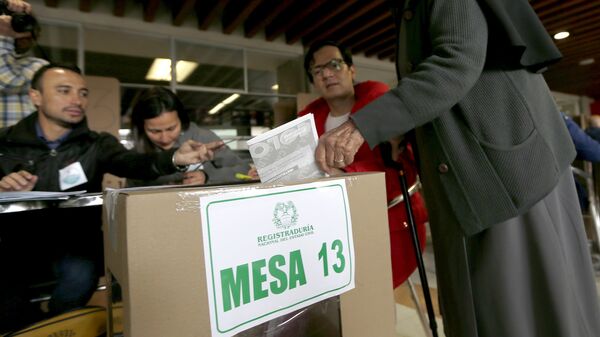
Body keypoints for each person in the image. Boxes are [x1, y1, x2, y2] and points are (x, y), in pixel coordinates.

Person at [314, 1, 600, 336]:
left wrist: (361, 126)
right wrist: (404, 130)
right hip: (481, 174)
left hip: (508, 174)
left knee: (521, 308)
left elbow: (457, 60)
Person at [0, 63, 222, 333]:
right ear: (36, 96)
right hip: (15, 245)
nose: (76, 100)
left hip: (75, 246)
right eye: (64, 91)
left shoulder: (97, 144)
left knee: (77, 282)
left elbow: (134, 162)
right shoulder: (6, 143)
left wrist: (175, 158)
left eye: (82, 93)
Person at [299, 40, 428, 289]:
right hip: (329, 229)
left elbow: (404, 167)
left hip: (388, 224)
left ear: (352, 70)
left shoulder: (383, 105)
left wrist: (346, 173)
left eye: (334, 65)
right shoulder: (307, 120)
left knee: (367, 295)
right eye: (317, 71)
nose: (326, 74)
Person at [128, 86, 255, 187]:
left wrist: (207, 177)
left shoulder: (202, 138)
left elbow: (243, 170)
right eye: (154, 131)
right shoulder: (137, 151)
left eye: (171, 128)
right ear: (141, 127)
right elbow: (131, 190)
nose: (165, 139)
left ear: (181, 120)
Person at [0, 0, 48, 128]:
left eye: (21, 23)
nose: (14, 30)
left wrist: (4, 36)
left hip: (22, 146)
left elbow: (8, 81)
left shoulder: (39, 66)